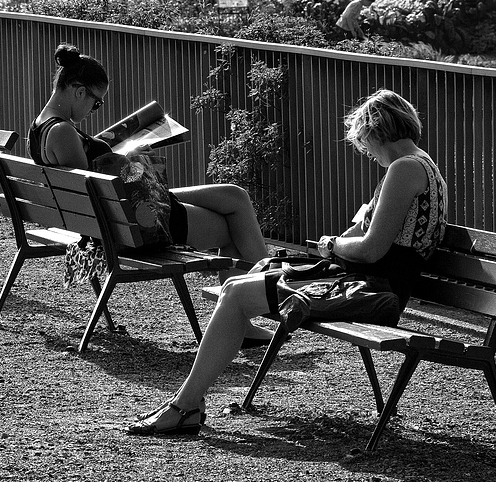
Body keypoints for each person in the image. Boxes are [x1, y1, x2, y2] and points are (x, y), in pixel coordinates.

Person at [127, 89, 448, 436]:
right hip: (364, 282)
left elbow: (370, 249)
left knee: (234, 296)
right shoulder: (419, 166)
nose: (366, 152)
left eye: (364, 141)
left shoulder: (404, 169)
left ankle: (185, 406)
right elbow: (366, 233)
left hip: (371, 290)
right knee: (235, 285)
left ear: (374, 132)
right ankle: (186, 402)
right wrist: (335, 245)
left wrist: (332, 245)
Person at [30, 44, 276, 341]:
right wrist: (130, 162)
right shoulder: (63, 132)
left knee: (234, 195)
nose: (94, 110)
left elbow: (90, 185)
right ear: (79, 91)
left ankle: (263, 292)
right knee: (231, 225)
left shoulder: (42, 127)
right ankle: (267, 295)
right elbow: (96, 193)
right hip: (135, 225)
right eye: (97, 103)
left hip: (127, 214)